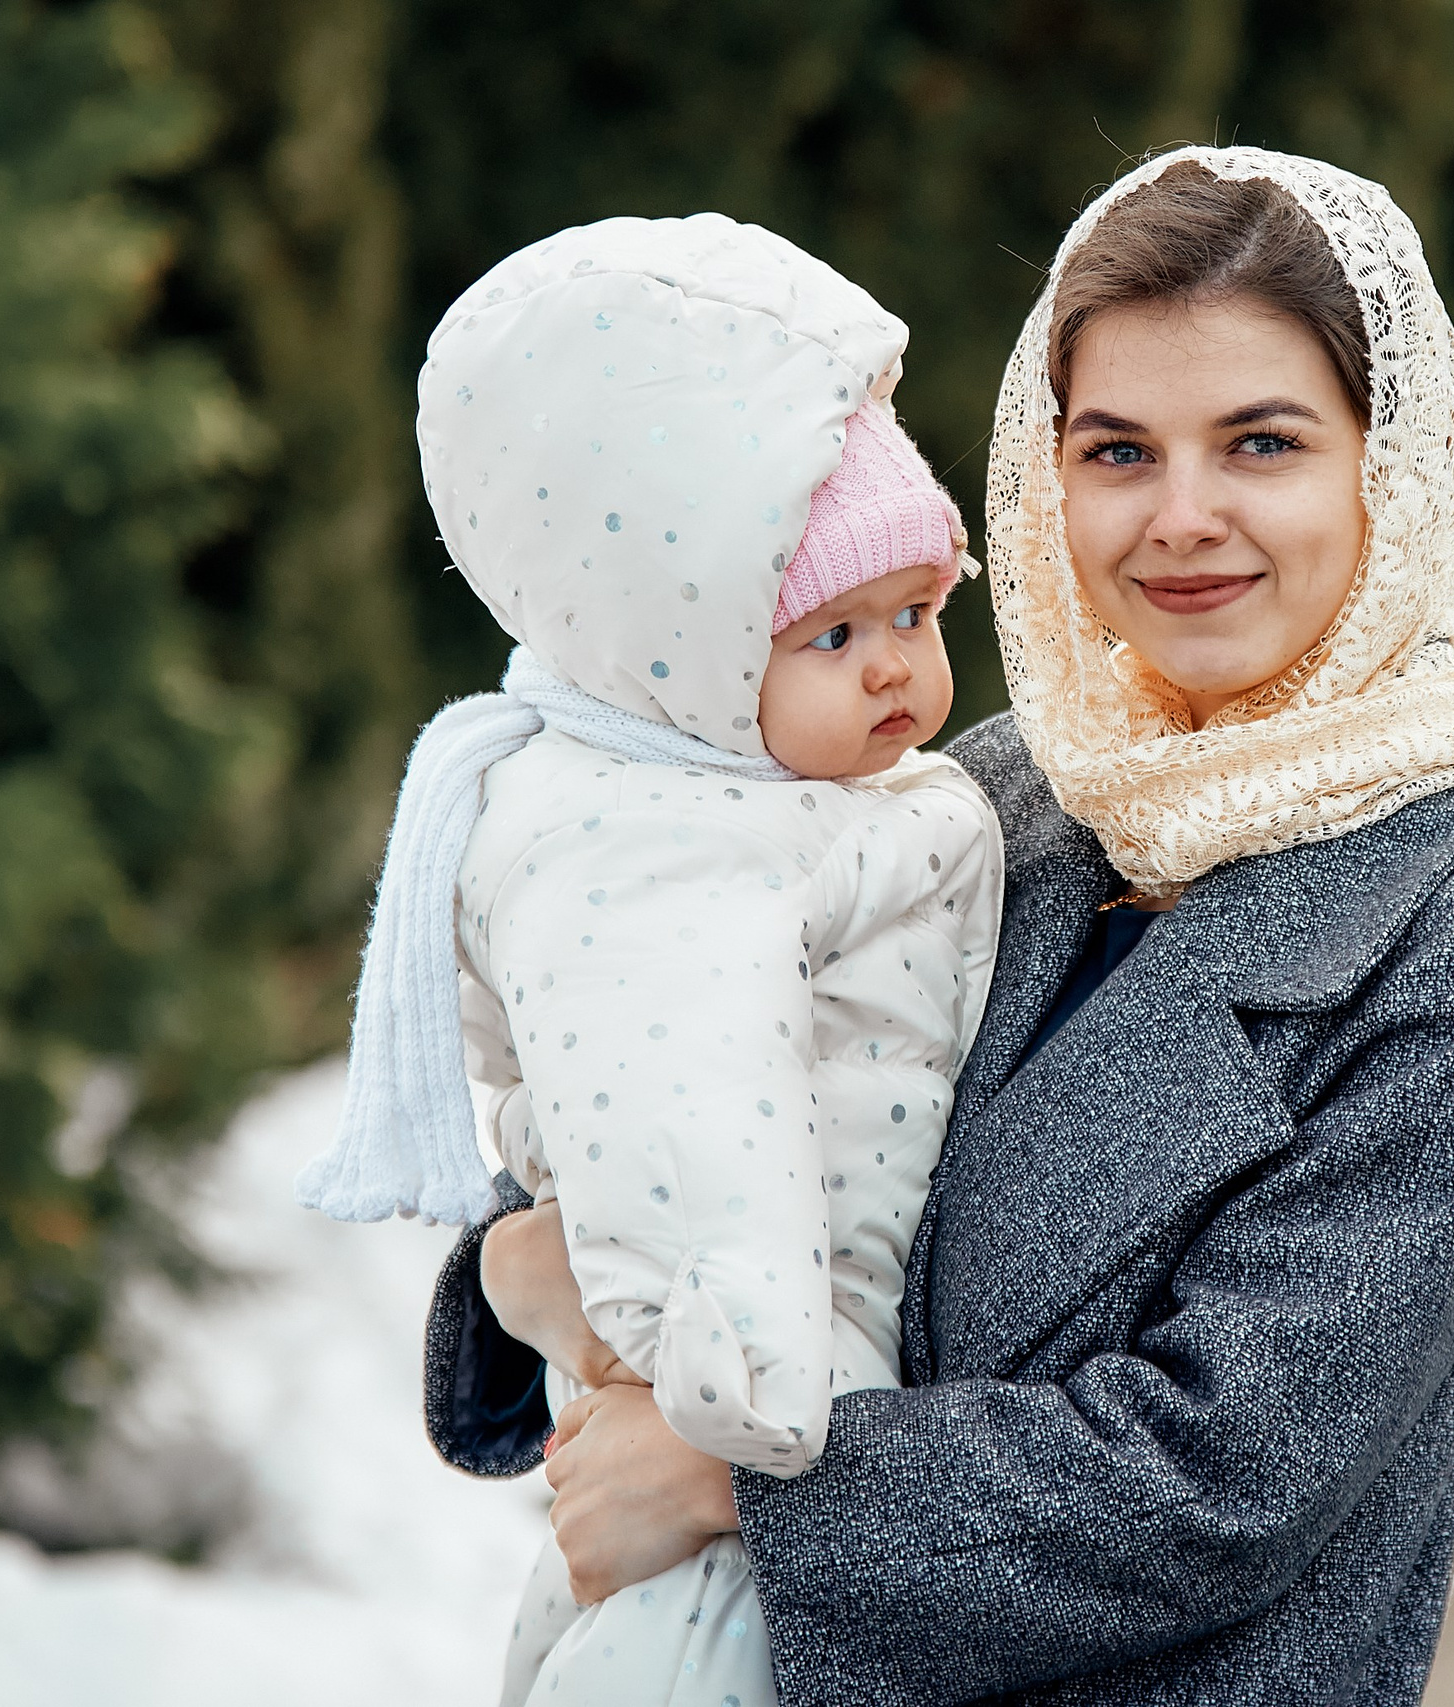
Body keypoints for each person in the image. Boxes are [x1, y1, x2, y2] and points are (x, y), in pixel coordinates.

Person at [431, 148, 1454, 1705]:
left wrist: (737, 1487)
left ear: (1392, 463)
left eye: (1263, 444)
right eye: (1118, 451)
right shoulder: (1001, 791)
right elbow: (706, 1049)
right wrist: (533, 1262)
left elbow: (1220, 1479)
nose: (1183, 518)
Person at [294, 212, 1002, 1707]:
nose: (895, 665)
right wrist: (749, 1391)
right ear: (683, 643)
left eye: (919, 612)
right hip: (749, 1429)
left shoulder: (770, 789)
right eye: (833, 635)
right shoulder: (661, 843)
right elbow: (684, 1104)